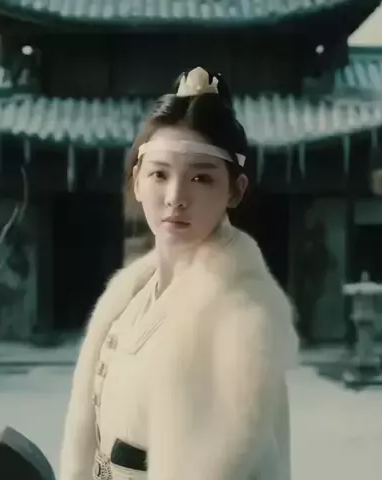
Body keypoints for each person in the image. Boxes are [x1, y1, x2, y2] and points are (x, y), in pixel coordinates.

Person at [58, 67, 299, 480]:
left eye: (201, 178)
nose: (175, 197)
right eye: (159, 174)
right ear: (137, 181)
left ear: (235, 190)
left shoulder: (241, 317)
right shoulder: (131, 295)